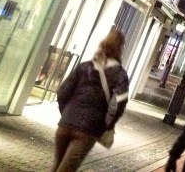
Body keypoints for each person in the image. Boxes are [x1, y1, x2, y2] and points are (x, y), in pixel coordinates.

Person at [53, 29, 130, 172]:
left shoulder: (85, 66)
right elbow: (117, 105)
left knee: (56, 166)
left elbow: (63, 92)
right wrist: (106, 125)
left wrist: (66, 113)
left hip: (65, 124)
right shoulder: (120, 75)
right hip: (88, 130)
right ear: (120, 48)